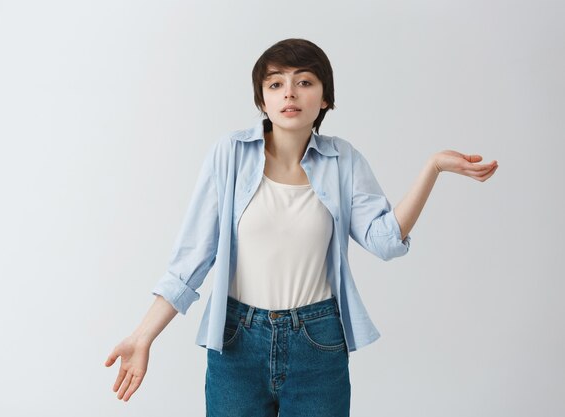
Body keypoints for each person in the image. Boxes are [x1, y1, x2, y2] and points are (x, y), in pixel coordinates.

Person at [104, 38, 498, 414]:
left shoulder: (343, 160)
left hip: (318, 340)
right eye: (275, 84)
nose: (289, 93)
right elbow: (191, 260)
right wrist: (142, 337)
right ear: (262, 99)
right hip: (236, 340)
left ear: (324, 98)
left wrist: (432, 169)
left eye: (304, 82)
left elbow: (385, 241)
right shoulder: (229, 155)